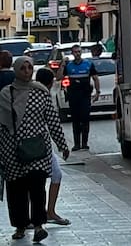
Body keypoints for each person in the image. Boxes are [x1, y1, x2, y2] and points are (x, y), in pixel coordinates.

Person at [0, 55, 70, 243]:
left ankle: (39, 225)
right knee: (16, 190)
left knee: (38, 186)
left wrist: (62, 144)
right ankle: (20, 226)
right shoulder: (6, 93)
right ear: (16, 70)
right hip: (12, 150)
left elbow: (52, 120)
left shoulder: (41, 92)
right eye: (22, 68)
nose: (26, 72)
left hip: (38, 149)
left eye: (29, 68)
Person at [32, 69, 69, 227]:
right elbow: (53, 123)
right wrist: (63, 146)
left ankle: (42, 214)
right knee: (54, 175)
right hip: (40, 145)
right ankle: (48, 213)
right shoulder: (43, 95)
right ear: (51, 82)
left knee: (34, 179)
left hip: (25, 145)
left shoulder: (26, 92)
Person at [59, 45, 100, 150]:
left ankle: (84, 143)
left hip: (85, 96)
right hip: (73, 97)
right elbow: (59, 77)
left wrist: (97, 92)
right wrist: (62, 65)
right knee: (75, 120)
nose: (77, 54)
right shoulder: (69, 66)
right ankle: (77, 144)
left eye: (79, 52)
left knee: (85, 119)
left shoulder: (88, 64)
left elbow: (95, 78)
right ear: (72, 53)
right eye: (75, 52)